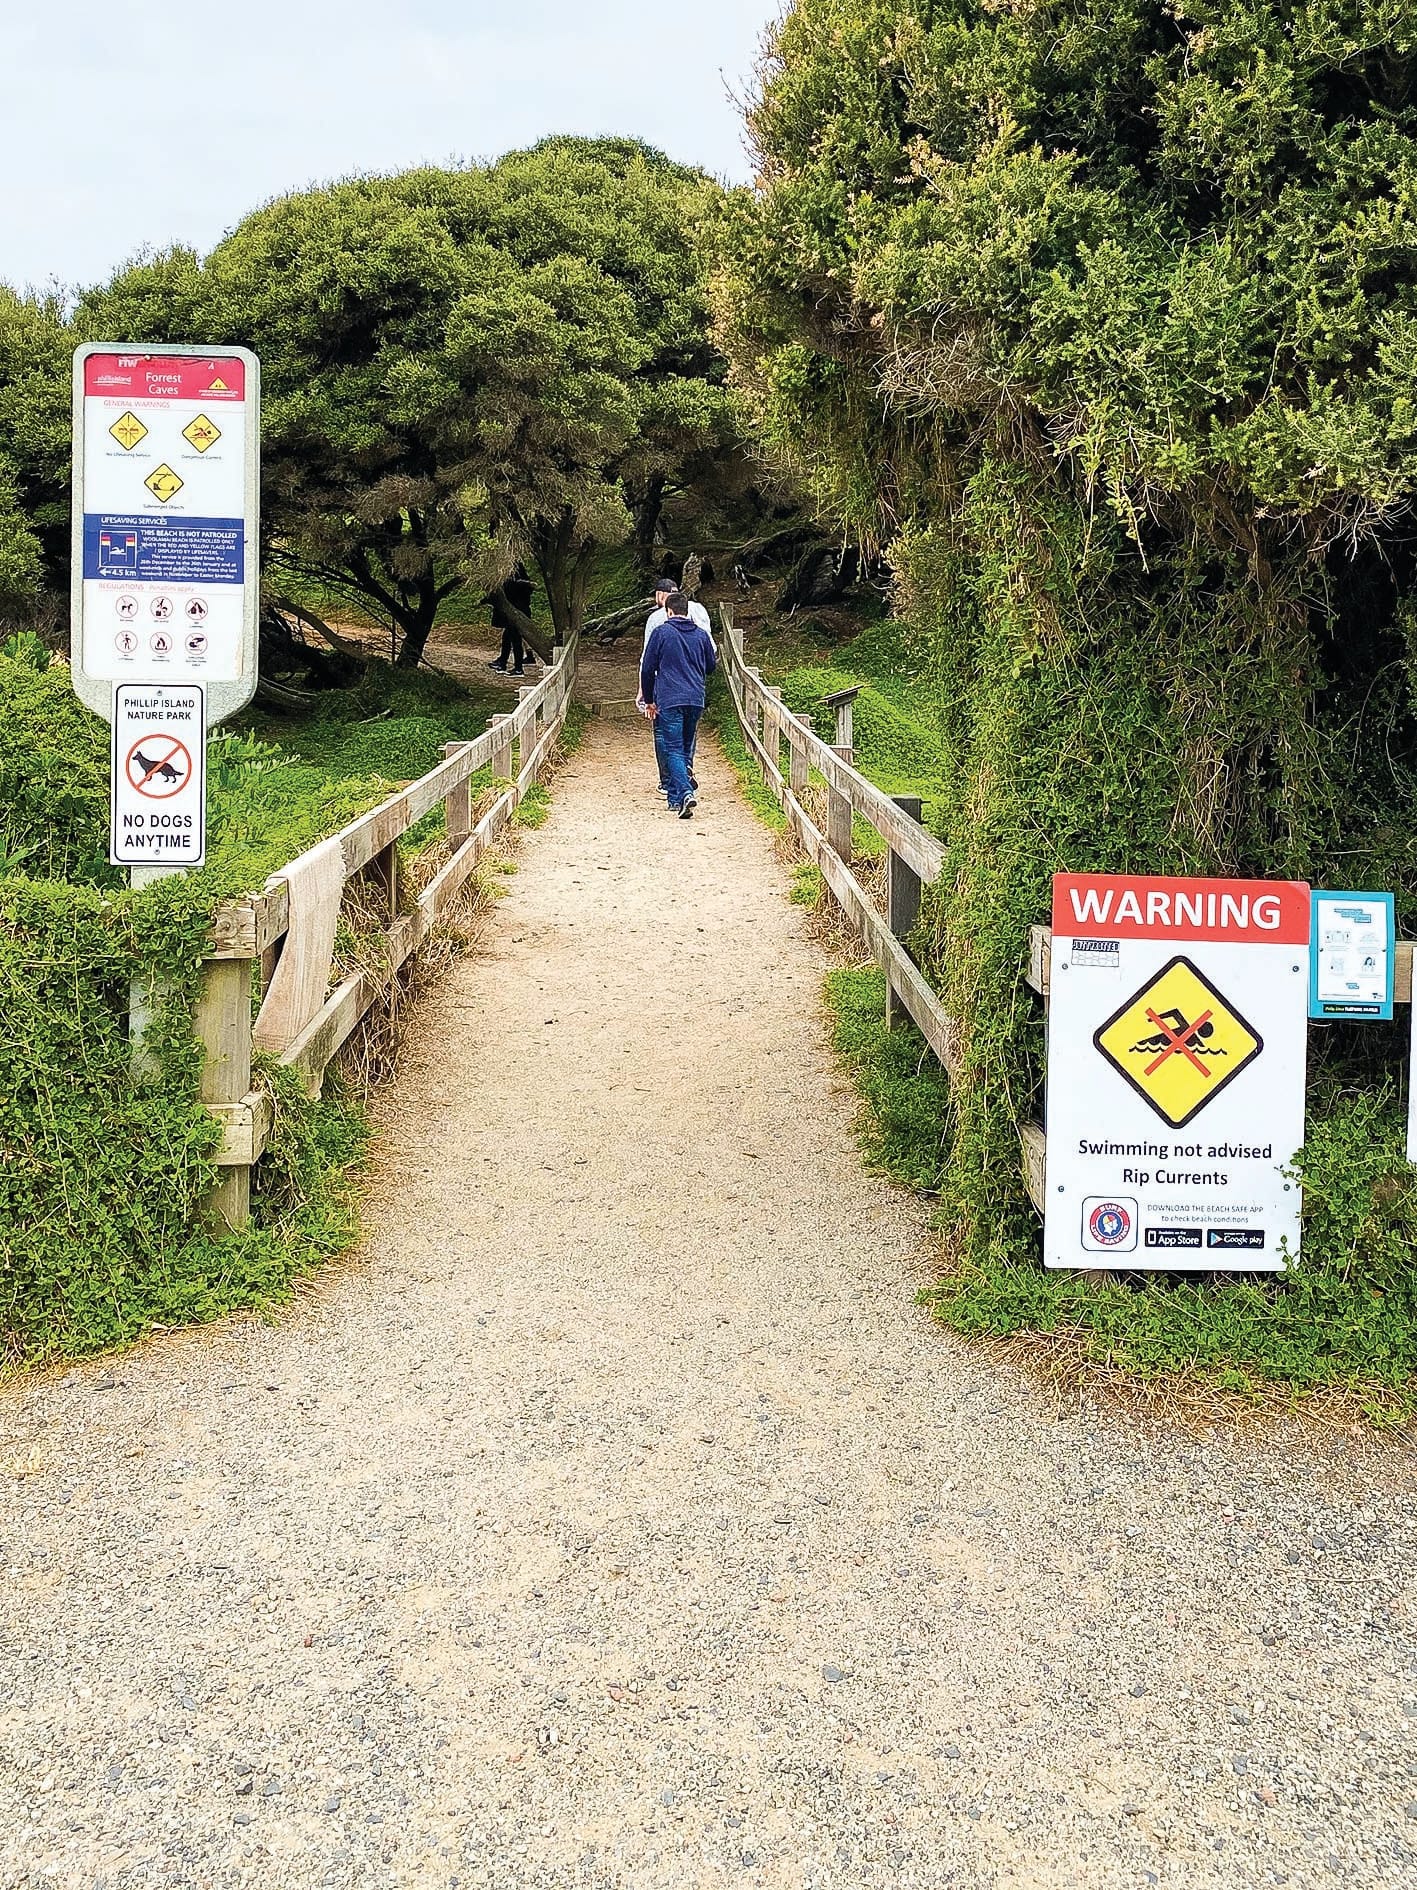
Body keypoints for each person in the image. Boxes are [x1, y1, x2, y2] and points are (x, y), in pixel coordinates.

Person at [640, 590, 717, 818]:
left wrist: (649, 699)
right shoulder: (702, 635)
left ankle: (684, 793)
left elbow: (647, 667)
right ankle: (675, 799)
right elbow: (711, 666)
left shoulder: (661, 633)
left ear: (668, 611)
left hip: (670, 698)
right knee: (685, 746)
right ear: (687, 611)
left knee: (673, 748)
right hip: (695, 698)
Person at [487, 566, 538, 675]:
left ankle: (518, 668)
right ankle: (503, 662)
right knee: (508, 638)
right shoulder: (523, 584)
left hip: (516, 613)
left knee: (515, 640)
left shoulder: (515, 583)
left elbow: (509, 592)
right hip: (520, 611)